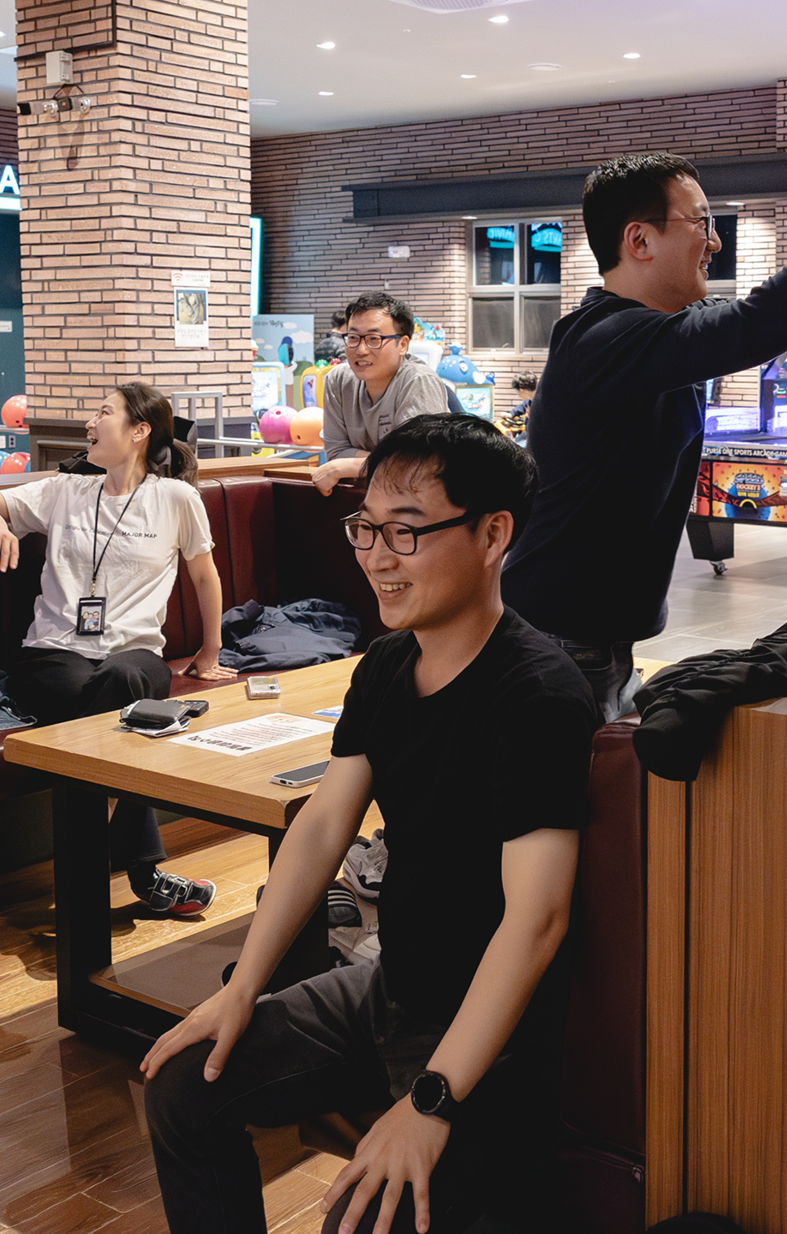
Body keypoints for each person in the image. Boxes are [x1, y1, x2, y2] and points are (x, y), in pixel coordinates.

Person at [141, 414, 594, 1234]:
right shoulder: (387, 665)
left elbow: (538, 920)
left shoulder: (538, 694)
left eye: (406, 532)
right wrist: (241, 988)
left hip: (486, 1035)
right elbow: (322, 828)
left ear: (493, 535)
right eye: (367, 528)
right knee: (184, 1085)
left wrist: (432, 1100)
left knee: (360, 1219)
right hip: (390, 988)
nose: (377, 557)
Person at [502, 78, 787, 720]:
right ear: (639, 241)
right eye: (702, 224)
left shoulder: (656, 333)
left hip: (590, 638)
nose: (714, 242)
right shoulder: (602, 339)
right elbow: (761, 321)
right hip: (556, 638)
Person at [0, 382, 232, 917]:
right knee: (118, 712)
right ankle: (142, 871)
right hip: (53, 652)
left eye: (103, 412)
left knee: (122, 683)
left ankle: (86, 872)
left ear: (139, 431)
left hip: (135, 654)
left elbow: (205, 576)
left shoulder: (175, 498)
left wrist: (210, 652)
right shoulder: (65, 489)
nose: (89, 422)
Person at [315, 292, 452, 495]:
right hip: (375, 495)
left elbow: (416, 465)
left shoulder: (417, 381)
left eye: (374, 339)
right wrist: (388, 462)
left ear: (402, 345)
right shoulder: (338, 380)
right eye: (353, 338)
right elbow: (336, 452)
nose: (361, 350)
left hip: (424, 499)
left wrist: (350, 466)